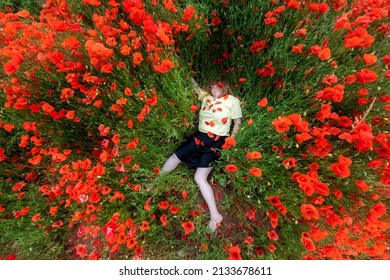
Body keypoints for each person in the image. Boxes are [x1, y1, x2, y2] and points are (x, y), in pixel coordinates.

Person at [157, 78, 242, 232]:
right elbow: (194, 85)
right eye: (212, 84)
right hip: (199, 137)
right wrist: (185, 73)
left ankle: (215, 215)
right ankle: (155, 183)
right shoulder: (206, 97)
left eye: (218, 84)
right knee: (175, 156)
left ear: (225, 86)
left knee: (199, 178)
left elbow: (237, 123)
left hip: (217, 142)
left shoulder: (232, 101)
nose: (213, 86)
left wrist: (230, 141)